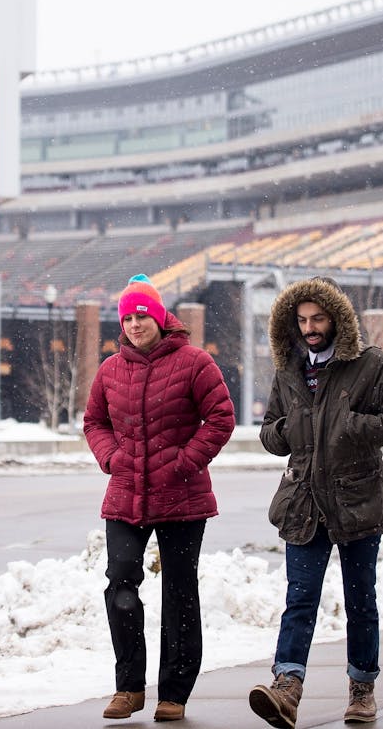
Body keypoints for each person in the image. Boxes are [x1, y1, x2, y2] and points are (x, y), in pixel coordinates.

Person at [248, 276, 383, 727]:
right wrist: (287, 432)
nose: (309, 327)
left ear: (337, 320)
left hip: (357, 500)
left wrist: (354, 426)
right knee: (300, 597)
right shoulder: (289, 371)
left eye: (318, 318)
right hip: (303, 503)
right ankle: (287, 688)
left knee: (360, 600)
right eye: (302, 320)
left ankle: (362, 690)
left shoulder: (372, 365)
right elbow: (269, 431)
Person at [84, 274, 236, 723]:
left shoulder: (194, 362)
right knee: (121, 584)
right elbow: (94, 422)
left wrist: (186, 462)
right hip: (126, 493)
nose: (134, 324)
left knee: (180, 593)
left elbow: (221, 418)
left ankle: (174, 693)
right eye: (127, 317)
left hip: (182, 496)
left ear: (159, 317)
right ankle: (128, 687)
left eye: (142, 315)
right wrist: (111, 457)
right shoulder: (111, 370)